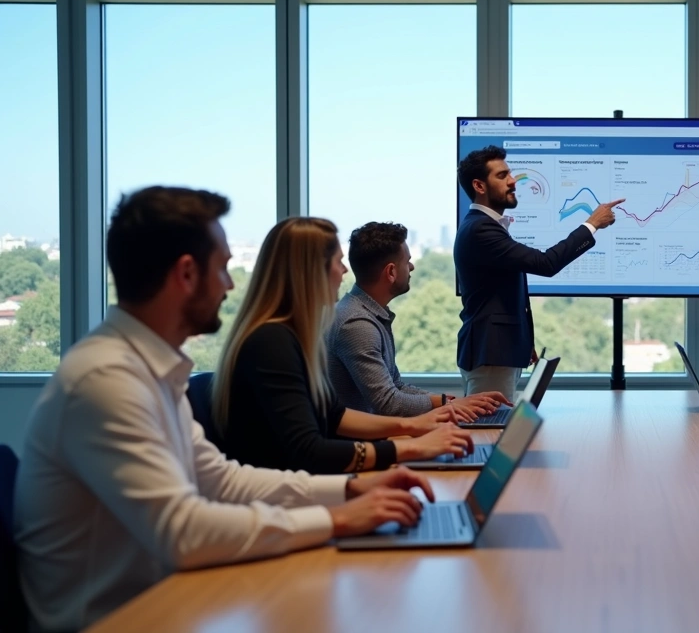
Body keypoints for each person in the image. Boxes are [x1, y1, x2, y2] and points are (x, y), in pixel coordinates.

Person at [14, 187, 438, 632]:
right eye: (222, 268)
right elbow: (184, 532)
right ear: (186, 274)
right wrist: (336, 518)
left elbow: (220, 479)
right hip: (117, 619)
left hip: (165, 603)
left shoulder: (147, 369)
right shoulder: (105, 380)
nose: (230, 285)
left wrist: (350, 491)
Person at [213, 216, 474, 475]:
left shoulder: (292, 335)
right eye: (338, 262)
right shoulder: (272, 343)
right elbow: (310, 451)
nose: (345, 271)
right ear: (312, 273)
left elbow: (335, 415)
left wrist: (416, 426)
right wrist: (413, 446)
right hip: (287, 487)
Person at [454, 145, 621, 396]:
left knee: (498, 418)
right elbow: (546, 263)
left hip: (499, 350)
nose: (513, 181)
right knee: (491, 420)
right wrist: (592, 224)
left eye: (510, 174)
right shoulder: (481, 229)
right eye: (502, 176)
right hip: (491, 354)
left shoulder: (483, 226)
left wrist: (521, 342)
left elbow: (499, 296)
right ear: (479, 186)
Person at [327, 221, 510, 418]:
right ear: (391, 272)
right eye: (407, 261)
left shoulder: (367, 313)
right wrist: (448, 405)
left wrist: (449, 402)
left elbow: (396, 386)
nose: (412, 267)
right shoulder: (357, 324)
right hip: (361, 437)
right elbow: (388, 403)